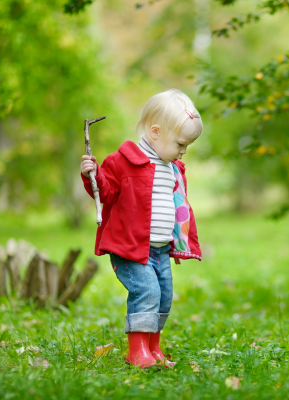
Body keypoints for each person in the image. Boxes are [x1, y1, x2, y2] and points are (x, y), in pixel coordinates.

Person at [79, 89, 203, 368]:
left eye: (187, 146)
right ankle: (137, 352)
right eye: (181, 144)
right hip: (131, 248)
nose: (183, 151)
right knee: (147, 291)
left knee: (164, 295)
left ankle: (153, 348)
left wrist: (179, 241)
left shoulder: (171, 167)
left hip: (159, 250)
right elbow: (107, 192)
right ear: (156, 132)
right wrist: (93, 175)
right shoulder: (123, 161)